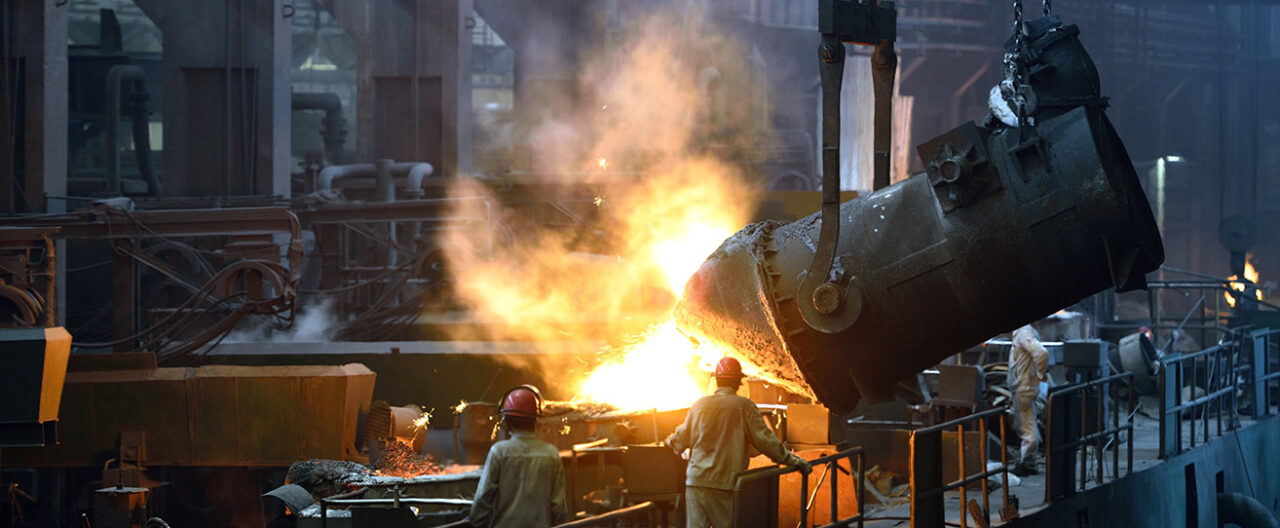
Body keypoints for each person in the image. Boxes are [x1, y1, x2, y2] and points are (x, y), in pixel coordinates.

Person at [665, 357, 811, 528]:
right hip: (724, 484)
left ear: (717, 381)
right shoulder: (744, 406)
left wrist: (668, 442)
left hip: (697, 482)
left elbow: (680, 439)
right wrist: (795, 461)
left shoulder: (700, 405)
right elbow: (767, 442)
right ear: (738, 382)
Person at [469, 385, 571, 528]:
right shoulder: (551, 454)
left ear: (507, 421)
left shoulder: (499, 452)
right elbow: (558, 506)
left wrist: (477, 524)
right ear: (535, 420)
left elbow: (483, 498)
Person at [1007, 325, 1049, 475]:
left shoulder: (1023, 332)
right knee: (1026, 425)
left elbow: (1041, 352)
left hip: (1024, 388)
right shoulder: (1022, 332)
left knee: (1027, 428)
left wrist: (1039, 374)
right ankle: (1030, 462)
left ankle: (1027, 465)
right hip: (1024, 387)